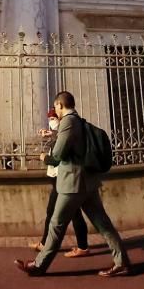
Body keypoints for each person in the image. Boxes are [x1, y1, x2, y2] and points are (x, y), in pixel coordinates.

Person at [15, 91, 130, 277]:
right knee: (103, 224)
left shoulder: (68, 122)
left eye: (56, 106)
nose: (55, 110)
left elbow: (58, 155)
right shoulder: (78, 121)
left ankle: (39, 265)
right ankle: (122, 262)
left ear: (61, 105)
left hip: (73, 183)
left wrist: (45, 158)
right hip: (87, 183)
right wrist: (54, 135)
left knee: (56, 224)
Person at [28, 108, 90, 257]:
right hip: (60, 178)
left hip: (62, 178)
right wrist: (51, 134)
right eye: (49, 119)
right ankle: (82, 246)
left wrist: (45, 158)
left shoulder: (67, 129)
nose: (51, 122)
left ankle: (46, 247)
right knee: (75, 214)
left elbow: (58, 156)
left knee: (54, 214)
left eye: (53, 119)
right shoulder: (60, 132)